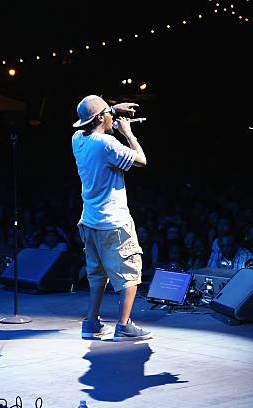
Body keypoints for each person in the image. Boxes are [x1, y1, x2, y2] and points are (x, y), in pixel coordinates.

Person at [72, 94, 151, 341]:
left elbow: (95, 119)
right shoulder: (106, 144)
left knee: (97, 274)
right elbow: (141, 161)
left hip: (90, 220)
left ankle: (91, 323)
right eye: (108, 113)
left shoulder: (77, 139)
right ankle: (124, 326)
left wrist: (113, 110)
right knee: (129, 272)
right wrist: (128, 133)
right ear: (100, 117)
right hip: (114, 222)